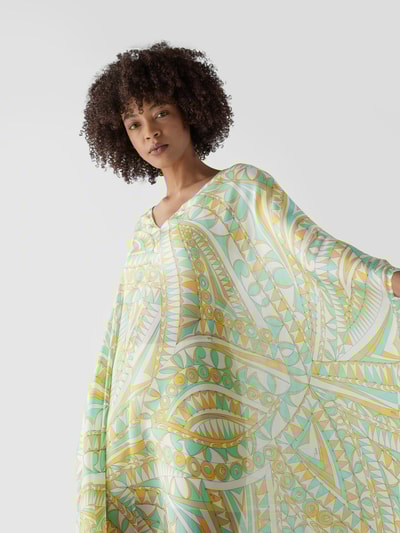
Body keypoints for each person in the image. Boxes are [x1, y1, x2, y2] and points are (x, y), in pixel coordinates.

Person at [76, 41, 400, 533]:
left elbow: (308, 248)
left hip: (207, 396)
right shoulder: (144, 227)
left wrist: (383, 278)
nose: (151, 132)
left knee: (206, 510)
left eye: (161, 113)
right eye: (134, 124)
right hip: (139, 413)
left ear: (190, 110)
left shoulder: (241, 188)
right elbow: (124, 327)